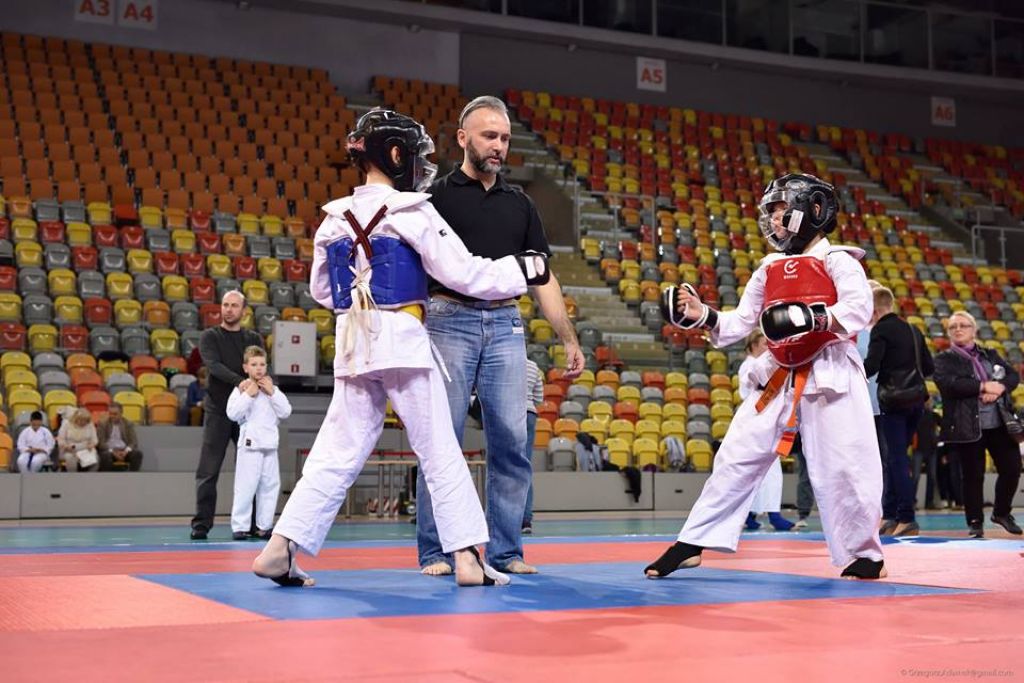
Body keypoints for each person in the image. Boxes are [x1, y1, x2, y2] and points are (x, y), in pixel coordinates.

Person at [251, 109, 549, 588]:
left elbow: (323, 292)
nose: (419, 164)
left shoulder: (332, 220)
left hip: (353, 344)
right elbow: (464, 273)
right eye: (413, 155)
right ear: (395, 155)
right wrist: (524, 270)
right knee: (439, 449)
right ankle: (468, 558)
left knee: (336, 452)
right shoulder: (412, 211)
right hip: (403, 342)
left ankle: (280, 549)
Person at [646, 173, 886, 580]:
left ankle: (864, 554)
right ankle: (692, 542)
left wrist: (811, 317)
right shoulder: (768, 268)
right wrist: (701, 316)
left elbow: (858, 309)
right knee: (735, 455)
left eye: (780, 211)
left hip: (830, 370)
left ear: (813, 211)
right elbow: (740, 322)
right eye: (770, 213)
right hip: (778, 373)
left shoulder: (839, 260)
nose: (774, 220)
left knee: (845, 465)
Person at [416, 95, 584, 577]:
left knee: (511, 441)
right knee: (441, 441)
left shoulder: (521, 204)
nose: (499, 146)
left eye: (505, 138)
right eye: (489, 135)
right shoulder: (434, 199)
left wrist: (568, 337)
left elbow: (542, 276)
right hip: (447, 319)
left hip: (506, 323)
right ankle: (437, 551)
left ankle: (506, 551)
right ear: (463, 138)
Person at [932, 310, 1022, 538]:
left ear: (974, 330)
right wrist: (983, 386)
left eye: (963, 325)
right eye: (953, 327)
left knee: (1012, 468)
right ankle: (975, 522)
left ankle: (1001, 513)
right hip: (965, 425)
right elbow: (950, 385)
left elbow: (1012, 376)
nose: (958, 329)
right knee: (973, 476)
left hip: (998, 422)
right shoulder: (943, 359)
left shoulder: (990, 354)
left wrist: (999, 388)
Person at [190, 290, 264, 540]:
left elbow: (259, 367)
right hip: (218, 411)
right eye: (225, 305)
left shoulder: (252, 338)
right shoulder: (210, 336)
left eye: (234, 306)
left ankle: (253, 524)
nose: (229, 309)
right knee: (208, 470)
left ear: (243, 311)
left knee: (251, 470)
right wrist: (240, 382)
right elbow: (214, 366)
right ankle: (201, 524)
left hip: (247, 414)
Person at [864, 285, 934, 537]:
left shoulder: (880, 329)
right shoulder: (914, 329)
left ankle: (906, 517)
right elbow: (928, 367)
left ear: (873, 311)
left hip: (893, 403)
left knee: (896, 460)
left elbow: (871, 366)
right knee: (897, 458)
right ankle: (891, 515)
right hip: (916, 401)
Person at [226, 346, 292, 541]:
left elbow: (286, 412)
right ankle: (240, 527)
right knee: (245, 488)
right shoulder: (241, 389)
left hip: (270, 446)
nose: (258, 368)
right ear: (246, 367)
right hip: (250, 446)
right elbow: (232, 414)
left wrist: (272, 393)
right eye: (254, 364)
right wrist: (248, 395)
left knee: (270, 488)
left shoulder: (273, 390)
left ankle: (264, 526)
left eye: (262, 364)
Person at [738, 330, 794, 532]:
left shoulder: (758, 364)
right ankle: (773, 515)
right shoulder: (750, 366)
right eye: (764, 344)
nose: (768, 348)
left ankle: (751, 514)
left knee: (760, 471)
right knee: (769, 471)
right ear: (753, 345)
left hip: (764, 420)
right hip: (757, 421)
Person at [521, 357, 544, 535]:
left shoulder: (504, 360)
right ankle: (526, 520)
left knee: (502, 466)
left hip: (510, 411)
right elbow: (539, 398)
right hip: (530, 413)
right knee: (525, 467)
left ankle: (501, 519)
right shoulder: (533, 366)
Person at [911, 398, 941, 510]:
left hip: (932, 448)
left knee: (932, 476)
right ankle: (911, 502)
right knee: (915, 476)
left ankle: (929, 502)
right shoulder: (916, 414)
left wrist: (938, 439)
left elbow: (944, 425)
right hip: (918, 448)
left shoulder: (934, 415)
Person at [97, 402, 144, 471]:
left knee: (137, 454)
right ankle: (106, 476)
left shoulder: (128, 423)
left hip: (124, 450)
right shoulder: (103, 424)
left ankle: (133, 476)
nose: (112, 416)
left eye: (115, 414)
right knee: (105, 456)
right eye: (110, 414)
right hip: (109, 451)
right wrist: (113, 452)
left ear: (121, 413)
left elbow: (133, 442)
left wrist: (126, 451)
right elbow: (101, 443)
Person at [57, 408, 99, 472]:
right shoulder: (66, 424)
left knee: (96, 459)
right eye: (81, 420)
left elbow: (95, 440)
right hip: (70, 450)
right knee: (70, 458)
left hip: (85, 450)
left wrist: (92, 444)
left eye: (85, 421)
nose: (83, 422)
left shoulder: (90, 424)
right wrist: (66, 446)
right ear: (76, 418)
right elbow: (61, 439)